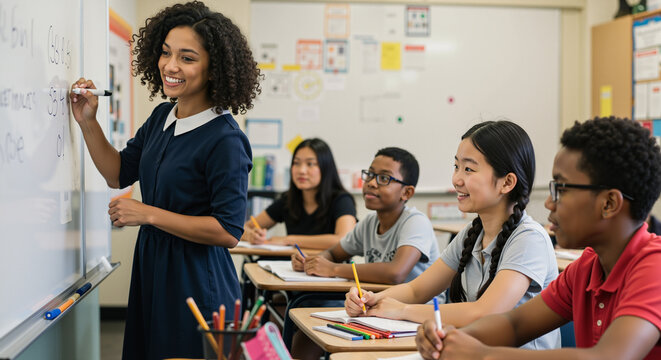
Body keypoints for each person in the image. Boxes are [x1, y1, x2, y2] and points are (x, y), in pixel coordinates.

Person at [69, 2, 261, 359]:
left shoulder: (226, 139)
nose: (170, 66)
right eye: (165, 53)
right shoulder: (162, 116)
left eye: (187, 58)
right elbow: (117, 173)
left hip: (196, 281)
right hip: (154, 267)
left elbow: (228, 231)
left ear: (214, 68)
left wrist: (148, 214)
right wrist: (87, 122)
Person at [416, 117, 661, 360]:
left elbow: (608, 357)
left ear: (608, 204)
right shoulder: (587, 269)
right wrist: (451, 338)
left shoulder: (654, 268)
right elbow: (515, 325)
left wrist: (482, 354)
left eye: (561, 189)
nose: (548, 202)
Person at [346, 121, 560, 350]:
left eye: (468, 169)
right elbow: (416, 290)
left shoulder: (529, 238)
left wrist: (401, 310)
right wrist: (371, 300)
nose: (456, 179)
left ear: (506, 182)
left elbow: (485, 313)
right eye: (456, 166)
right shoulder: (473, 233)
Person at [291, 147, 440, 360]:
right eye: (369, 174)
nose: (371, 182)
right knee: (307, 330)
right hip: (378, 309)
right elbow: (334, 253)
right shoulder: (370, 222)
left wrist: (333, 269)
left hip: (416, 316)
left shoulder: (415, 222)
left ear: (406, 193)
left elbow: (396, 273)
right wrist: (312, 261)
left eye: (384, 178)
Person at [241, 138, 357, 249]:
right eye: (296, 163)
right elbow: (243, 228)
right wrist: (252, 235)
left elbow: (344, 239)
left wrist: (288, 240)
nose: (301, 170)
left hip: (328, 267)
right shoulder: (288, 199)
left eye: (310, 164)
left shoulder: (342, 200)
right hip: (290, 266)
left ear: (325, 168)